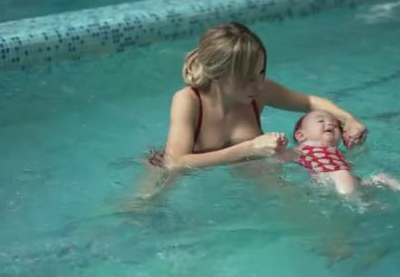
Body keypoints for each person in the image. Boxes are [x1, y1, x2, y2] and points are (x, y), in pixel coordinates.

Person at [149, 21, 367, 172]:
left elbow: (310, 102)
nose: (259, 84)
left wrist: (348, 120)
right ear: (218, 75)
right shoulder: (189, 100)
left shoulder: (259, 92)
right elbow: (175, 162)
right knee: (143, 206)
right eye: (247, 78)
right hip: (179, 176)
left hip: (245, 174)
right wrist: (250, 148)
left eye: (261, 73)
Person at [278, 109, 400, 197]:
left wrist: (358, 147)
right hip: (323, 180)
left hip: (351, 181)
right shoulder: (303, 148)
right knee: (341, 173)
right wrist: (280, 149)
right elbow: (282, 158)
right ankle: (355, 201)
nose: (330, 123)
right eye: (321, 121)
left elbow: (355, 160)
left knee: (380, 177)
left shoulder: (337, 152)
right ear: (300, 135)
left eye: (336, 125)